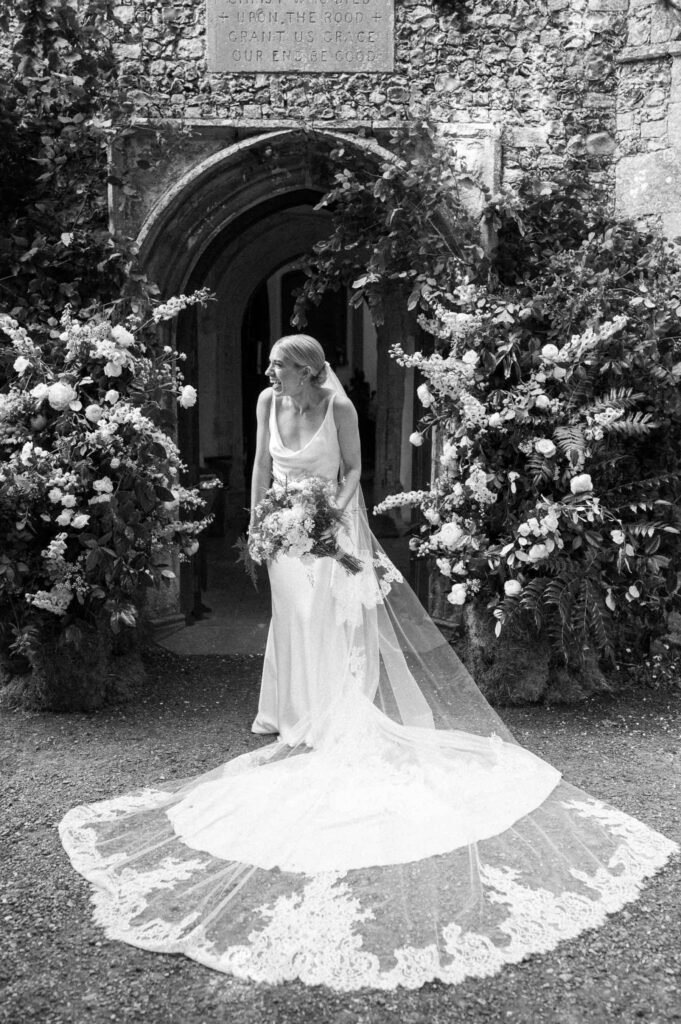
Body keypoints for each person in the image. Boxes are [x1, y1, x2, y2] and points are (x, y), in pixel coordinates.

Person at [59, 335, 678, 991]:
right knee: (291, 617)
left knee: (325, 616)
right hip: (282, 528)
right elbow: (263, 469)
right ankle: (284, 709)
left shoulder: (339, 407)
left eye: (277, 364)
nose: (267, 371)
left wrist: (328, 509)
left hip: (328, 528)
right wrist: (256, 521)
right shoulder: (269, 400)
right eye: (269, 365)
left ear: (307, 371)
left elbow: (354, 471)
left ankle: (328, 708)